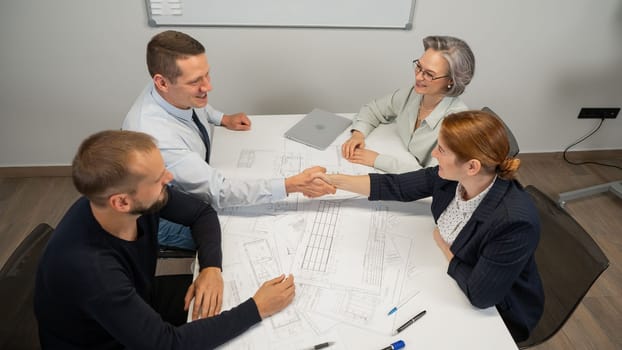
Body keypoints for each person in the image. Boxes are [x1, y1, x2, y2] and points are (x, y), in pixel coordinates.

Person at [34, 130, 295, 349]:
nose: (169, 179)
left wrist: (211, 267)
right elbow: (165, 345)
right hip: (105, 342)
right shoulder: (92, 270)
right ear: (122, 201)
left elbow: (201, 212)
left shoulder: (129, 203)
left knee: (225, 295)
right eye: (159, 179)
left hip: (140, 298)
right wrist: (256, 309)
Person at [323, 111, 544, 342]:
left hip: (500, 313)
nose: (434, 154)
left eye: (442, 150)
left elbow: (480, 295)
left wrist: (444, 247)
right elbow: (397, 186)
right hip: (446, 277)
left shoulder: (514, 222)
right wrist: (332, 181)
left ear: (472, 166)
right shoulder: (453, 177)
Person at [123, 30, 335, 250]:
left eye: (207, 75)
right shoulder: (157, 138)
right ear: (162, 82)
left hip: (192, 185)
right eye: (196, 81)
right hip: (163, 217)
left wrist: (221, 118)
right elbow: (219, 192)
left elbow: (192, 104)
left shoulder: (166, 91)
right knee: (247, 238)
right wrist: (291, 184)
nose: (208, 86)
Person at [342, 35, 475, 172]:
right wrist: (358, 135)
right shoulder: (413, 94)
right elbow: (373, 110)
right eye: (419, 66)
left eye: (429, 74)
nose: (418, 77)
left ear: (451, 80)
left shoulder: (457, 124)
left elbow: (434, 176)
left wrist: (377, 160)